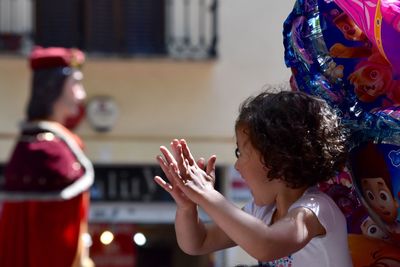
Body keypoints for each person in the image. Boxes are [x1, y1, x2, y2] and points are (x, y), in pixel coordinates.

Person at [154, 90, 353, 266]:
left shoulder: (315, 210)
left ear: (276, 156)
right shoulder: (262, 212)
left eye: (241, 153)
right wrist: (188, 208)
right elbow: (199, 242)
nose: (237, 166)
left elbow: (266, 245)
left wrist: (208, 195)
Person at [0, 47, 94, 267]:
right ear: (54, 88)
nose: (81, 95)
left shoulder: (37, 145)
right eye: (75, 83)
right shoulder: (48, 151)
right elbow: (58, 242)